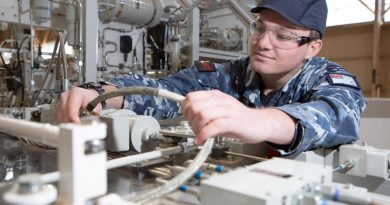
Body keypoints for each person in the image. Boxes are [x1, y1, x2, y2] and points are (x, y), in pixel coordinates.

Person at [56, 0, 366, 156]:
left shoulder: (326, 77)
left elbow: (340, 115)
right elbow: (168, 89)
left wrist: (263, 121)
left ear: (313, 47)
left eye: (283, 36)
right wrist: (103, 91)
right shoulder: (232, 74)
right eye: (260, 29)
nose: (263, 43)